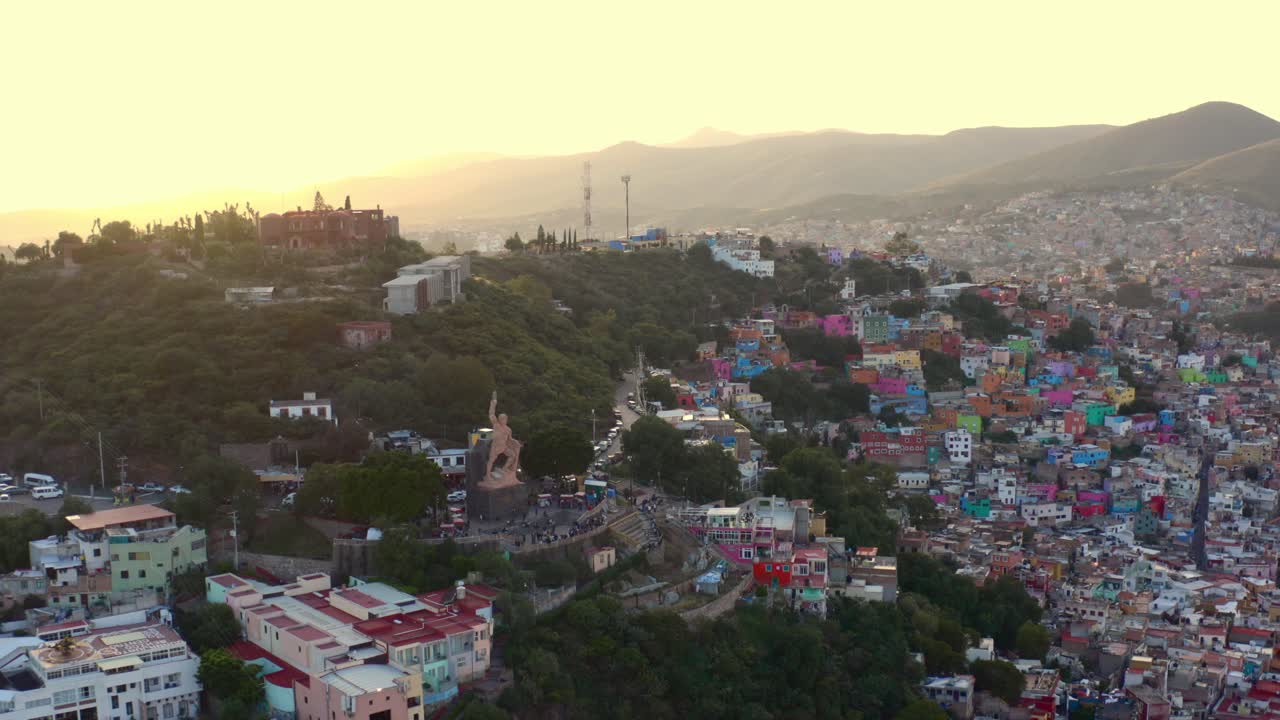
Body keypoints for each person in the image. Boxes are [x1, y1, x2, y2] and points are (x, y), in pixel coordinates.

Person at [486, 391, 522, 481]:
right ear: (499, 419)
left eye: (505, 418)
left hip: (504, 447)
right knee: (491, 461)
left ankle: (505, 468)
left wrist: (516, 442)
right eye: (502, 418)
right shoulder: (496, 425)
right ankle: (487, 475)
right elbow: (491, 414)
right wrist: (493, 403)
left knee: (512, 455)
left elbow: (510, 439)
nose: (503, 420)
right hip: (496, 447)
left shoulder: (508, 429)